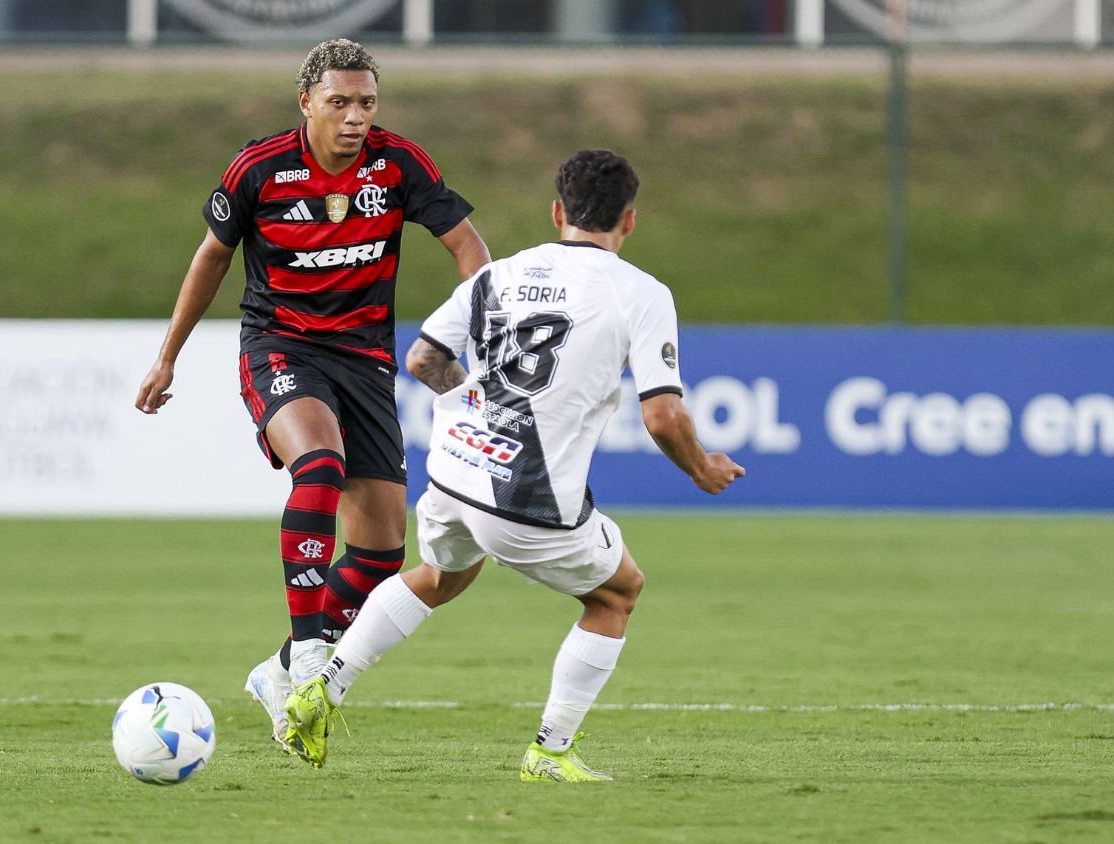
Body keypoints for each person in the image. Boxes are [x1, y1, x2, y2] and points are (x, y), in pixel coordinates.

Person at [282, 149, 745, 779]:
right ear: (629, 222)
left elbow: (421, 359)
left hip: (452, 470)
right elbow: (663, 416)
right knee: (617, 593)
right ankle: (549, 752)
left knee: (442, 576)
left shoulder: (501, 273)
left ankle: (320, 689)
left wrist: (477, 407)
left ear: (557, 211)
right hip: (527, 492)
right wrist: (701, 469)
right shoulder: (640, 292)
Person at [134, 39, 490, 758]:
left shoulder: (397, 164)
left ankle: (272, 674)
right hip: (281, 347)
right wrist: (167, 357)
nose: (356, 116)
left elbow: (468, 246)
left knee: (381, 555)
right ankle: (305, 656)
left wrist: (473, 334)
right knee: (319, 465)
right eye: (340, 102)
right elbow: (212, 256)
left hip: (364, 361)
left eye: (367, 102)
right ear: (306, 103)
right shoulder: (259, 168)